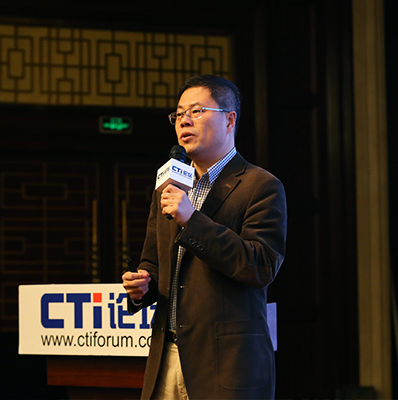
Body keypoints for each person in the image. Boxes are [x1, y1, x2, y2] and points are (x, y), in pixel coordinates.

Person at [122, 74, 287, 399]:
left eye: (196, 111)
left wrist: (192, 220)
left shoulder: (260, 186)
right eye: (178, 114)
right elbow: (153, 263)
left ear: (230, 120)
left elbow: (261, 266)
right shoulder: (169, 187)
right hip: (167, 357)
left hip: (226, 366)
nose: (184, 121)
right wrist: (141, 285)